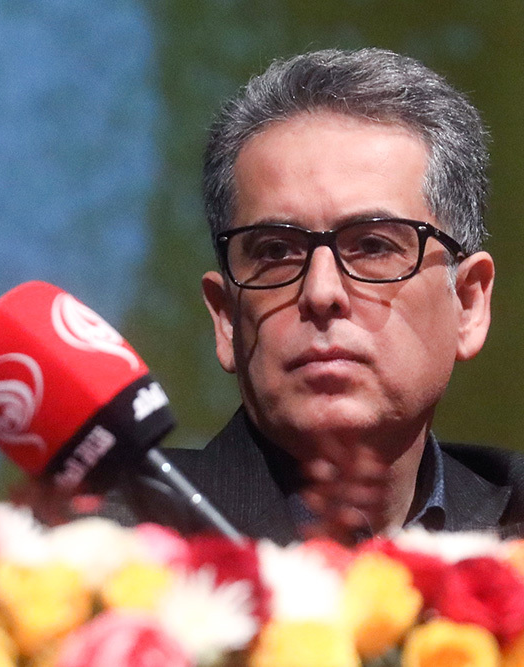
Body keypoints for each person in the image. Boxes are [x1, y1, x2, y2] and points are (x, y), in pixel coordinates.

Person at [148, 47, 524, 545]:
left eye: (373, 246)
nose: (321, 292)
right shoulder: (112, 548)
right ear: (226, 318)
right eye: (276, 251)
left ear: (469, 304)